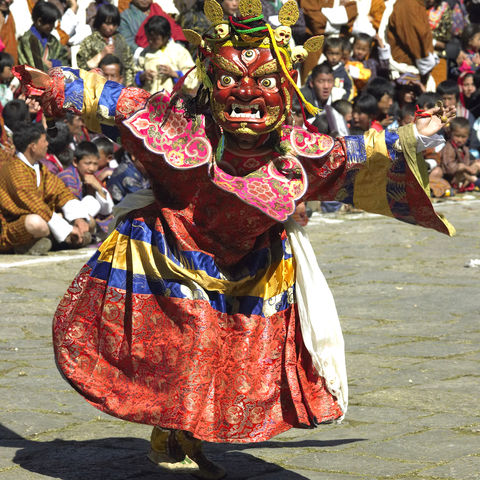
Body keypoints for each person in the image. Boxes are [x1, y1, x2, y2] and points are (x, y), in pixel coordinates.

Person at [13, 0, 455, 478]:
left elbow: (346, 154)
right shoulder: (178, 123)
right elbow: (118, 99)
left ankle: (186, 433)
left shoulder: (292, 147)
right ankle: (169, 434)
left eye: (264, 82)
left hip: (249, 265)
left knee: (230, 360)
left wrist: (413, 135)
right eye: (229, 80)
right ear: (209, 81)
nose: (246, 94)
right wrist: (58, 84)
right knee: (190, 343)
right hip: (171, 252)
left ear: (284, 89)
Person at [0, 123, 90, 255]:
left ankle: (46, 241)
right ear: (33, 146)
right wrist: (67, 229)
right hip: (10, 226)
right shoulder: (13, 170)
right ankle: (23, 245)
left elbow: (60, 191)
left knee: (87, 221)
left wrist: (78, 218)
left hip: (43, 218)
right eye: (44, 140)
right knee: (36, 223)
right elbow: (35, 205)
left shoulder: (39, 167)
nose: (47, 144)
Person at [58, 141, 114, 237]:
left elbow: (107, 210)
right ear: (75, 162)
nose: (92, 168)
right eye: (88, 163)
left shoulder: (90, 178)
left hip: (84, 217)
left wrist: (98, 188)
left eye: (95, 164)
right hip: (67, 217)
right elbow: (71, 207)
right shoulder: (68, 176)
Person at [135, 15, 198, 94]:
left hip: (173, 101)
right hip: (150, 100)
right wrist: (142, 76)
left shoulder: (179, 52)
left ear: (166, 36)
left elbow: (192, 79)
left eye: (155, 39)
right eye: (149, 38)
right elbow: (135, 75)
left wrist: (174, 74)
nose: (150, 42)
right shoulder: (144, 53)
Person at [76, 3, 135, 86]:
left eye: (114, 24)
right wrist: (102, 54)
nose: (110, 27)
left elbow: (129, 65)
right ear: (99, 22)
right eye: (107, 23)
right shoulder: (90, 41)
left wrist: (127, 85)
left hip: (119, 88)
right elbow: (82, 68)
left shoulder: (120, 40)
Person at [430, 116, 480, 191]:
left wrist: (474, 163)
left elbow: (466, 161)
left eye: (463, 137)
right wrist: (464, 167)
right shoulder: (449, 147)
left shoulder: (465, 149)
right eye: (457, 136)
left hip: (460, 176)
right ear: (450, 133)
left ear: (468, 136)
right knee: (437, 172)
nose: (460, 140)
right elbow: (449, 168)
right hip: (448, 176)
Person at [118, 0, 185, 55]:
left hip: (170, 55)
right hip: (144, 57)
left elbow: (175, 31)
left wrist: (177, 50)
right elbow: (127, 42)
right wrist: (147, 54)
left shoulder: (157, 10)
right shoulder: (125, 17)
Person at [17, 1, 68, 70]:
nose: (53, 26)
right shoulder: (27, 40)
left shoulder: (53, 41)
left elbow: (64, 60)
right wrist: (49, 66)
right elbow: (33, 66)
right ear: (39, 21)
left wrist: (53, 64)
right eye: (50, 23)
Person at [323, 36, 353, 102]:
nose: (334, 57)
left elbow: (350, 89)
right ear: (324, 53)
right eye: (331, 53)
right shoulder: (319, 70)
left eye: (337, 54)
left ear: (342, 54)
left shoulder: (344, 72)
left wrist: (343, 102)